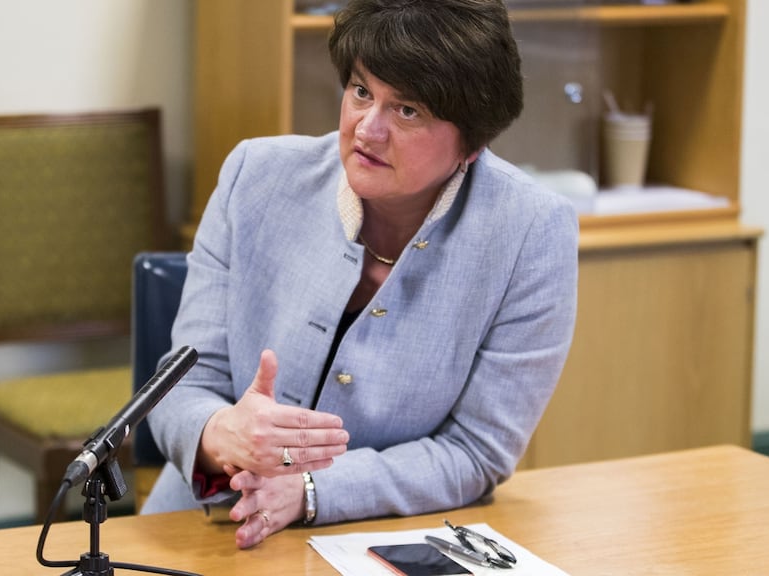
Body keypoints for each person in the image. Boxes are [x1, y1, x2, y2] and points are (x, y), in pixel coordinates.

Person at [144, 0, 578, 550]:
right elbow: (181, 386)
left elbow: (477, 451)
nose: (367, 130)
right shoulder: (256, 177)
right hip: (207, 526)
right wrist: (220, 435)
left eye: (408, 111)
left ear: (472, 143)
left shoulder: (530, 233)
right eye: (362, 92)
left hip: (383, 538)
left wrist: (310, 488)